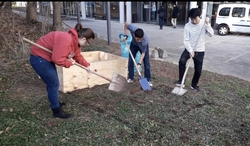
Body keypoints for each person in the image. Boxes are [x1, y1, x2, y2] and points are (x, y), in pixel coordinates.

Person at [30, 23, 95, 119]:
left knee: (53, 83)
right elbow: (57, 59)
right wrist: (69, 63)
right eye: (88, 43)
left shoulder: (75, 42)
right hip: (39, 58)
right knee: (54, 83)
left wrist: (87, 66)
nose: (87, 45)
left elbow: (77, 56)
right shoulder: (67, 40)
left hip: (47, 58)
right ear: (83, 39)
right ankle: (56, 111)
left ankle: (54, 102)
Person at [174, 8, 214, 91]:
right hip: (189, 48)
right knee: (182, 61)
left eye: (195, 18)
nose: (194, 21)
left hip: (200, 50)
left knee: (198, 70)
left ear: (200, 16)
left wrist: (208, 24)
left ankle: (194, 84)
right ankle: (182, 81)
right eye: (192, 19)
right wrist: (190, 50)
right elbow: (186, 40)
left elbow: (211, 34)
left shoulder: (204, 24)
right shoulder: (187, 26)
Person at [123, 22, 153, 87]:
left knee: (146, 62)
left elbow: (143, 53)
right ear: (134, 35)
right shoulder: (132, 28)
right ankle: (131, 77)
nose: (139, 41)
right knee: (131, 60)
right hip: (134, 45)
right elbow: (126, 24)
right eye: (138, 39)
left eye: (140, 39)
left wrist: (139, 63)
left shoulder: (144, 42)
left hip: (143, 48)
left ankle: (148, 79)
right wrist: (126, 35)